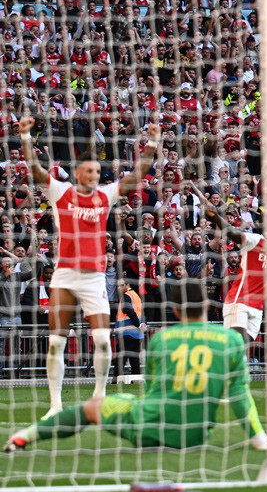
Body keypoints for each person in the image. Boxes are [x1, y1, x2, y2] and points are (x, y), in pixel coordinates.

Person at [4, 279, 267, 452]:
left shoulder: (164, 339)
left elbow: (153, 388)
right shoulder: (231, 340)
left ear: (175, 311)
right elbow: (239, 396)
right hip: (194, 436)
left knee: (93, 407)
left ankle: (24, 437)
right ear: (208, 305)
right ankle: (259, 440)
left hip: (150, 426)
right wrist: (259, 438)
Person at [18, 116, 160, 419]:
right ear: (79, 173)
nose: (95, 175)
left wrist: (153, 143)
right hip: (66, 275)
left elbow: (137, 174)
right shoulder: (61, 192)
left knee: (99, 339)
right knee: (56, 342)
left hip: (95, 277)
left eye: (98, 171)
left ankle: (99, 397)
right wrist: (27, 138)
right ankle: (55, 404)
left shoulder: (104, 196)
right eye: (90, 170)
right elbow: (35, 170)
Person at [204, 207, 265, 347]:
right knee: (235, 345)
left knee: (242, 348)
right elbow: (232, 232)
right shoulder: (255, 240)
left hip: (257, 307)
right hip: (239, 302)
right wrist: (214, 216)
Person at [113, 279, 145, 378]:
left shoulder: (126, 296)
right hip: (136, 333)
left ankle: (116, 380)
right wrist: (142, 324)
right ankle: (136, 379)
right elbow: (141, 312)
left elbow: (128, 310)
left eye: (121, 286)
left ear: (128, 285)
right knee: (134, 359)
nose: (119, 288)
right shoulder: (135, 296)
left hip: (127, 333)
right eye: (118, 286)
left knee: (120, 359)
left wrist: (138, 324)